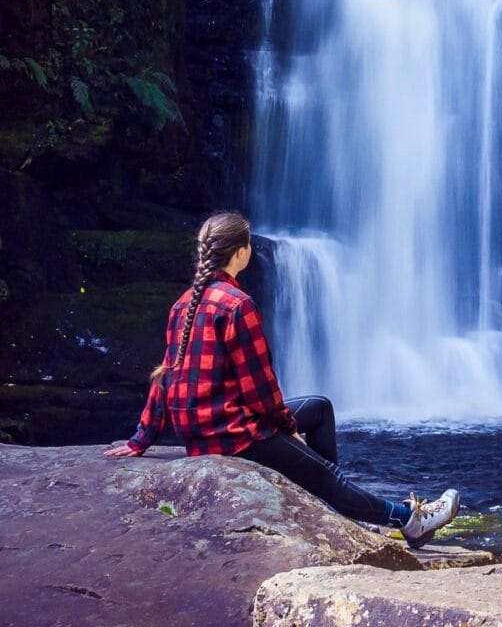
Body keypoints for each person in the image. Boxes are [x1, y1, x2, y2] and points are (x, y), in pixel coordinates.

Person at [105, 211, 459, 546]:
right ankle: (410, 521)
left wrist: (142, 438)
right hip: (231, 434)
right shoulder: (236, 304)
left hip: (200, 428)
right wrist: (285, 426)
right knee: (326, 476)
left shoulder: (183, 304)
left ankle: (330, 506)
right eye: (249, 248)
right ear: (242, 253)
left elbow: (165, 375)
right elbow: (257, 385)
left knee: (319, 408)